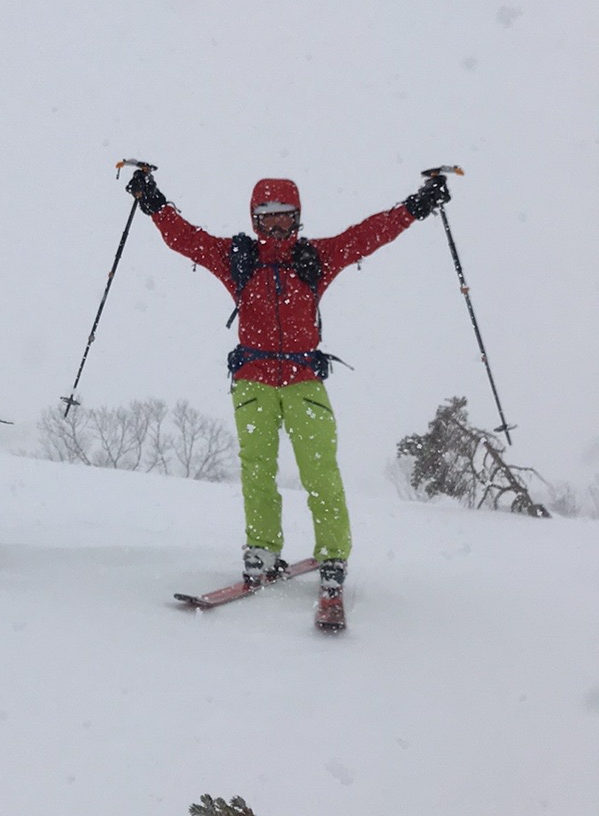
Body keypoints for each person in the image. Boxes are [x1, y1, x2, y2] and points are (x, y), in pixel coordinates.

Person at [123, 166, 451, 632]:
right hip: (253, 380)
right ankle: (262, 550)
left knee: (321, 471)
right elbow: (184, 238)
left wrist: (417, 206)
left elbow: (370, 234)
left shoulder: (316, 258)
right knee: (257, 469)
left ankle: (333, 558)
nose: (276, 227)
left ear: (298, 218)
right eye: (266, 217)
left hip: (304, 382)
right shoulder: (237, 259)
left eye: (284, 217)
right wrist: (151, 198)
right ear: (254, 220)